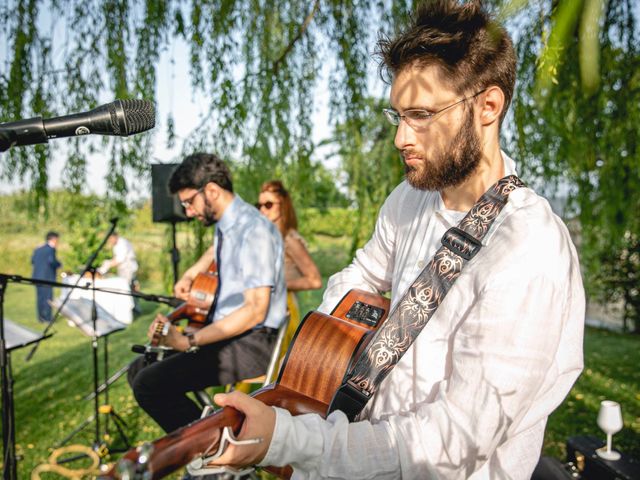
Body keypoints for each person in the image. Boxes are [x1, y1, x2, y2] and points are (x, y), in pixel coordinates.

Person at [209, 2, 585, 479]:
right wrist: (330, 350)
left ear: (488, 106)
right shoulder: (409, 198)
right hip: (356, 444)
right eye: (398, 116)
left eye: (422, 115)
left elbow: (455, 440)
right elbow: (362, 273)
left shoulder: (528, 248)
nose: (401, 138)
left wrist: (290, 440)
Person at [127, 152, 287, 434]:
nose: (188, 211)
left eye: (189, 201)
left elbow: (255, 309)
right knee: (139, 368)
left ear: (211, 190)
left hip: (254, 343)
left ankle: (215, 453)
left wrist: (189, 340)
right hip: (230, 334)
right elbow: (216, 251)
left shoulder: (254, 230)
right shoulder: (229, 226)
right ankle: (212, 440)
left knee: (148, 384)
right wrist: (190, 273)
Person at [257, 180, 322, 359]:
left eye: (268, 204)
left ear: (282, 206)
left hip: (284, 307)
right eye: (259, 205)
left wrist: (279, 284)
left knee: (275, 367)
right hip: (263, 305)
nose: (262, 210)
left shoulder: (289, 240)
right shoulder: (266, 238)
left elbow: (314, 280)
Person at [31, 231, 62, 323]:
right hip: (47, 277)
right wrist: (59, 264)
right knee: (48, 298)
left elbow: (32, 261)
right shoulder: (51, 249)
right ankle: (48, 318)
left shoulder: (38, 249)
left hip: (37, 277)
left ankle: (40, 317)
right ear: (54, 239)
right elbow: (51, 261)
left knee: (40, 298)